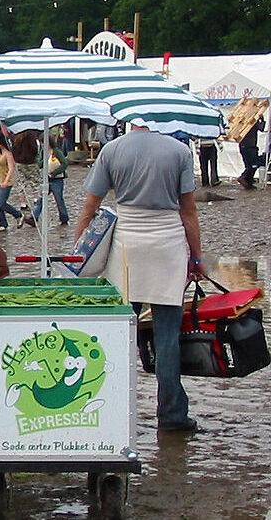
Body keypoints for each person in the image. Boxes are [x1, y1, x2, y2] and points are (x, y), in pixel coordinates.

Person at [76, 126, 203, 432]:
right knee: (168, 337)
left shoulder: (112, 150)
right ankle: (172, 414)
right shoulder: (178, 151)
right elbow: (189, 211)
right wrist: (196, 258)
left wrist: (78, 254)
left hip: (127, 247)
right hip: (167, 246)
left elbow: (91, 207)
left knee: (118, 334)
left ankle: (110, 409)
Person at [33, 134, 70, 225]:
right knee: (41, 199)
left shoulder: (57, 152)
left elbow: (64, 164)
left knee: (59, 199)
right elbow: (39, 164)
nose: (42, 145)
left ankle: (64, 217)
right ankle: (34, 217)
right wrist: (44, 159)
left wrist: (54, 173)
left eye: (43, 143)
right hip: (46, 179)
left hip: (57, 180)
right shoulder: (42, 152)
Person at [0, 134, 23, 231]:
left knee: (2, 203)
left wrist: (6, 181)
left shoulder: (8, 154)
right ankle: (2, 223)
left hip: (5, 182)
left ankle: (18, 215)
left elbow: (11, 169)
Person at [238, 116, 264, 189]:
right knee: (253, 165)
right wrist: (262, 119)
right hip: (250, 146)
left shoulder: (242, 123)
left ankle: (248, 182)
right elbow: (261, 128)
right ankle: (244, 177)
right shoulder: (252, 122)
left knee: (249, 165)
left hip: (243, 145)